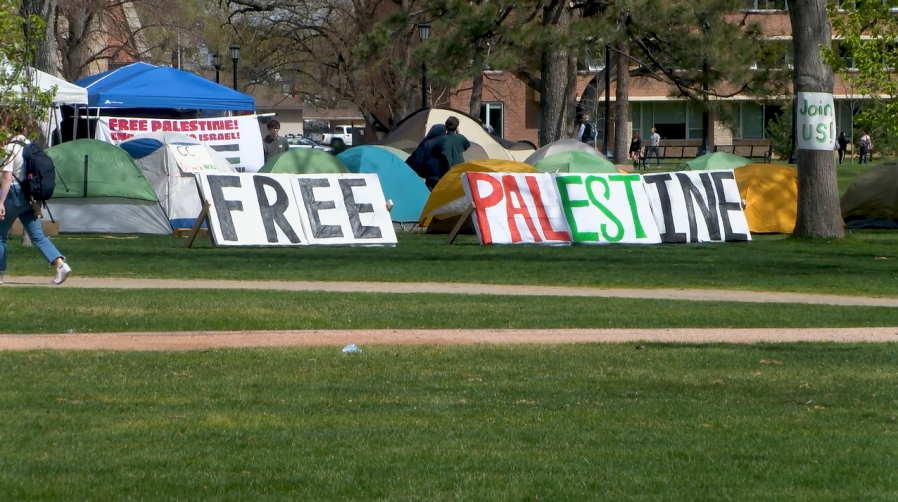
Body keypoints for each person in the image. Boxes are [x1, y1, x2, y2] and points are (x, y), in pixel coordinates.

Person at [0, 135, 71, 285]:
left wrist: (1, 202)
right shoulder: (30, 146)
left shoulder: (10, 148)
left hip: (13, 193)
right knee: (37, 236)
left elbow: (7, 177)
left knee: (0, 236)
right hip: (30, 195)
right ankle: (60, 264)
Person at [406, 124, 446, 191]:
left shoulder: (427, 143)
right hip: (440, 178)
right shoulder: (445, 145)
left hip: (427, 177)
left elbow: (418, 161)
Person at [433, 116, 471, 187]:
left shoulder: (442, 139)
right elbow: (466, 145)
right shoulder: (461, 138)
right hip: (459, 170)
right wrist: (459, 134)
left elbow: (435, 151)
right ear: (457, 127)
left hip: (445, 171)